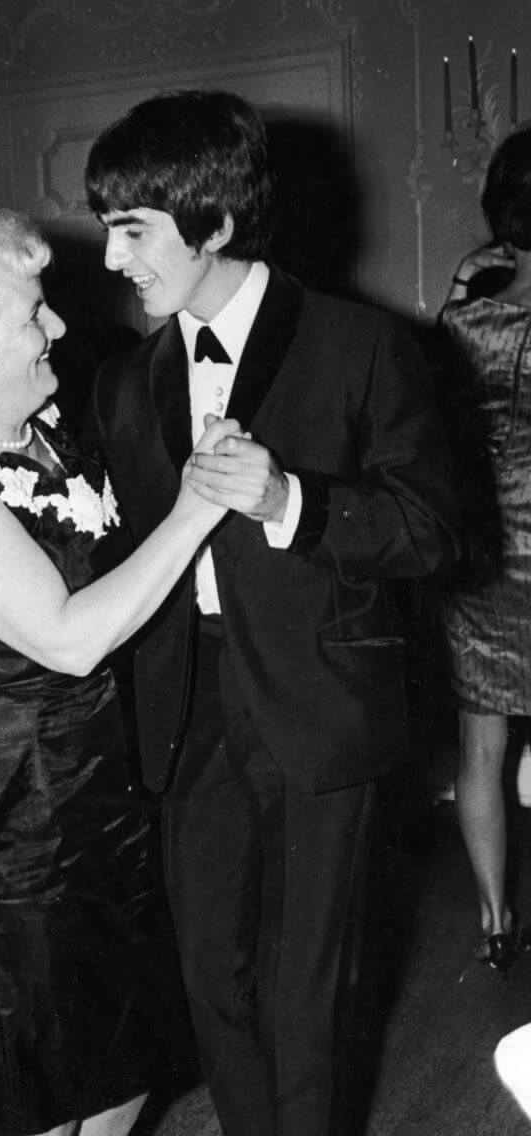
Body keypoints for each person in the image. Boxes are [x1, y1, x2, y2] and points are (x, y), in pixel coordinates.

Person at [84, 90, 461, 1136]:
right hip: (188, 710)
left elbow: (432, 530)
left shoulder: (365, 347)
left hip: (319, 708)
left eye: (132, 229)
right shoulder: (125, 383)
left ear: (210, 223)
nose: (113, 259)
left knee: (308, 994)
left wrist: (291, 500)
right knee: (211, 978)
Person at [0, 199, 239, 1136]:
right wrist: (199, 508)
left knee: (120, 1056)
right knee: (32, 1080)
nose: (58, 324)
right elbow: (68, 637)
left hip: (89, 792)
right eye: (33, 312)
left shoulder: (48, 440)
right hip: (0, 821)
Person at [439, 125, 531, 975]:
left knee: (481, 747)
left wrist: (470, 278)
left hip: (485, 555)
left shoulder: (461, 325)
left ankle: (496, 921)